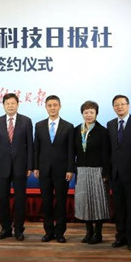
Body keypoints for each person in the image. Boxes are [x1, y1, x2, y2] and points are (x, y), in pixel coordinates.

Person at [106, 95, 131, 251]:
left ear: (128, 106)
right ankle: (121, 236)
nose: (120, 107)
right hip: (115, 173)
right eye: (116, 105)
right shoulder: (110, 124)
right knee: (118, 207)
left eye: (122, 104)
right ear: (113, 107)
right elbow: (110, 150)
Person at [0, 93, 33, 241]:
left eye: (12, 103)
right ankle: (6, 229)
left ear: (17, 104)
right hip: (2, 167)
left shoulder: (26, 121)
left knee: (20, 199)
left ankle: (19, 229)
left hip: (21, 166)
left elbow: (30, 145)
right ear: (3, 106)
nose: (10, 106)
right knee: (3, 199)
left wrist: (30, 165)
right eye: (7, 103)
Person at [33, 95, 74, 243]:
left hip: (62, 171)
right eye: (49, 105)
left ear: (60, 106)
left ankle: (60, 232)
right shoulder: (39, 125)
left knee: (61, 202)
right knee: (47, 202)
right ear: (46, 107)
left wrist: (70, 169)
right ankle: (48, 231)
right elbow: (36, 148)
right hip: (44, 170)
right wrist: (36, 166)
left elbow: (71, 150)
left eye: (55, 105)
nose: (52, 108)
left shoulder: (68, 126)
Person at [73, 101, 111, 245]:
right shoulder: (76, 130)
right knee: (85, 203)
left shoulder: (103, 131)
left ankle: (98, 233)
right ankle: (88, 232)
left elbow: (106, 153)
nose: (88, 115)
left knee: (98, 202)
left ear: (96, 114)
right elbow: (72, 152)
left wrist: (106, 173)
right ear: (82, 114)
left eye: (91, 112)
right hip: (81, 170)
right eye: (86, 112)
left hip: (98, 171)